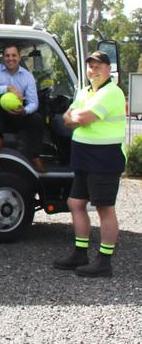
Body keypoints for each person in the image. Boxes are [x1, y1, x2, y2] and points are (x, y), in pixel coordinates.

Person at [53, 51, 126, 277]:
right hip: (84, 157)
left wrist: (76, 118)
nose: (92, 70)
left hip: (104, 158)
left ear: (107, 69)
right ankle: (80, 253)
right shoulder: (85, 92)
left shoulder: (112, 93)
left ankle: (104, 261)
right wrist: (75, 117)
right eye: (90, 66)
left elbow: (81, 118)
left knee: (104, 208)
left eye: (98, 66)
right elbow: (66, 117)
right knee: (75, 202)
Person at [0, 44, 46, 172]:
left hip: (16, 116)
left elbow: (34, 103)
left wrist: (24, 111)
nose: (10, 58)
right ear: (3, 57)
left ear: (19, 57)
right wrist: (7, 88)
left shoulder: (27, 76)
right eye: (7, 55)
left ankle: (35, 156)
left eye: (13, 55)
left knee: (37, 118)